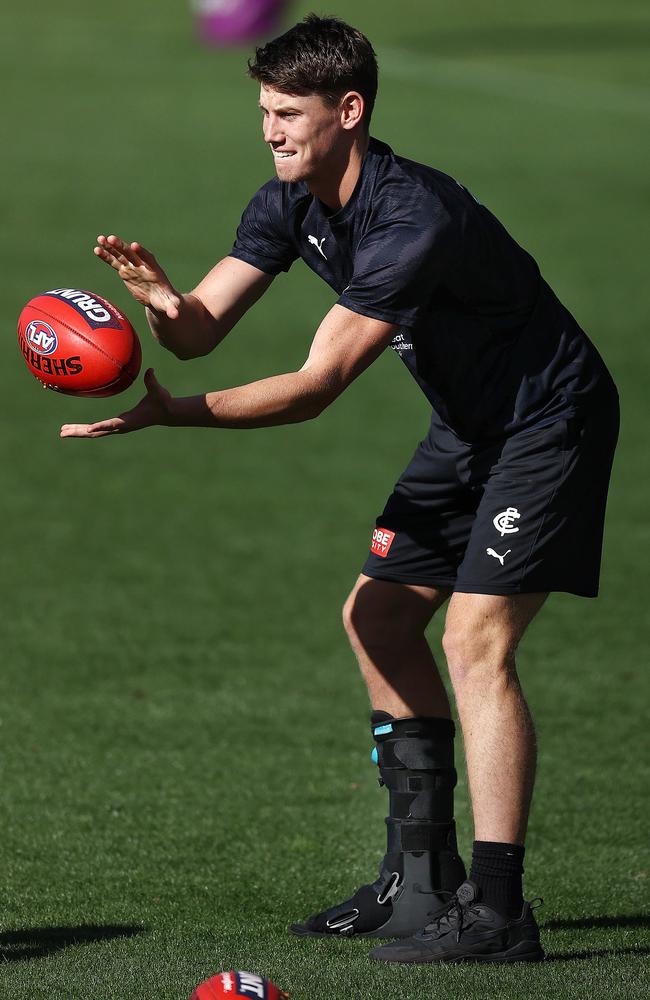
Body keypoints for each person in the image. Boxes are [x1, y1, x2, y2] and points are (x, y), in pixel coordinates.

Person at [61, 15, 619, 964]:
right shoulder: (290, 202)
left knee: (474, 642)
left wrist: (171, 416)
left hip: (546, 424)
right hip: (468, 425)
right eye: (264, 113)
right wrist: (163, 305)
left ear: (349, 111)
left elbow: (315, 390)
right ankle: (420, 882)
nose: (270, 131)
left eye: (288, 113)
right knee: (379, 617)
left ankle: (498, 911)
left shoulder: (415, 219)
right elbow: (199, 330)